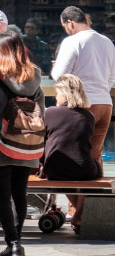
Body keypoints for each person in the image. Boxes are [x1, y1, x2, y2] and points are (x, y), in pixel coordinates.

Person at [0, 32, 44, 256]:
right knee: (19, 193)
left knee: (3, 195)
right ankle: (18, 242)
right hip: (27, 143)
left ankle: (12, 244)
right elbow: (40, 111)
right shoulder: (34, 76)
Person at [51, 6, 115, 173]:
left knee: (73, 155)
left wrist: (54, 67)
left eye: (65, 27)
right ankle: (92, 198)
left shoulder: (72, 41)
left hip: (82, 104)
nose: (66, 31)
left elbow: (59, 74)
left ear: (71, 23)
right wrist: (100, 91)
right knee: (95, 154)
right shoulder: (107, 41)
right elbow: (111, 78)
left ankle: (74, 201)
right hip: (105, 104)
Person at [42, 74, 102, 233]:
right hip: (83, 169)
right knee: (89, 171)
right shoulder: (89, 116)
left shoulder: (49, 113)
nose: (55, 97)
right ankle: (78, 216)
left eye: (57, 94)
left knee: (66, 171)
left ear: (66, 93)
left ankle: (77, 214)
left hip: (54, 169)